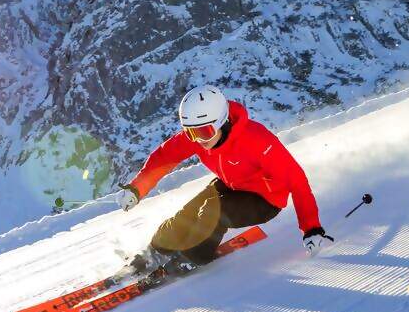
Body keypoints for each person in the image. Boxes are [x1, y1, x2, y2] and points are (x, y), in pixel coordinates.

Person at [118, 85, 333, 269]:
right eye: (191, 133)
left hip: (265, 199)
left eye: (205, 132)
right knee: (189, 211)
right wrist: (136, 189)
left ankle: (193, 257)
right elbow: (164, 158)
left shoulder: (257, 140)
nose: (198, 140)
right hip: (234, 186)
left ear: (222, 122)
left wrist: (311, 227)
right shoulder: (197, 136)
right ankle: (155, 250)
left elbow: (296, 179)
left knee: (214, 209)